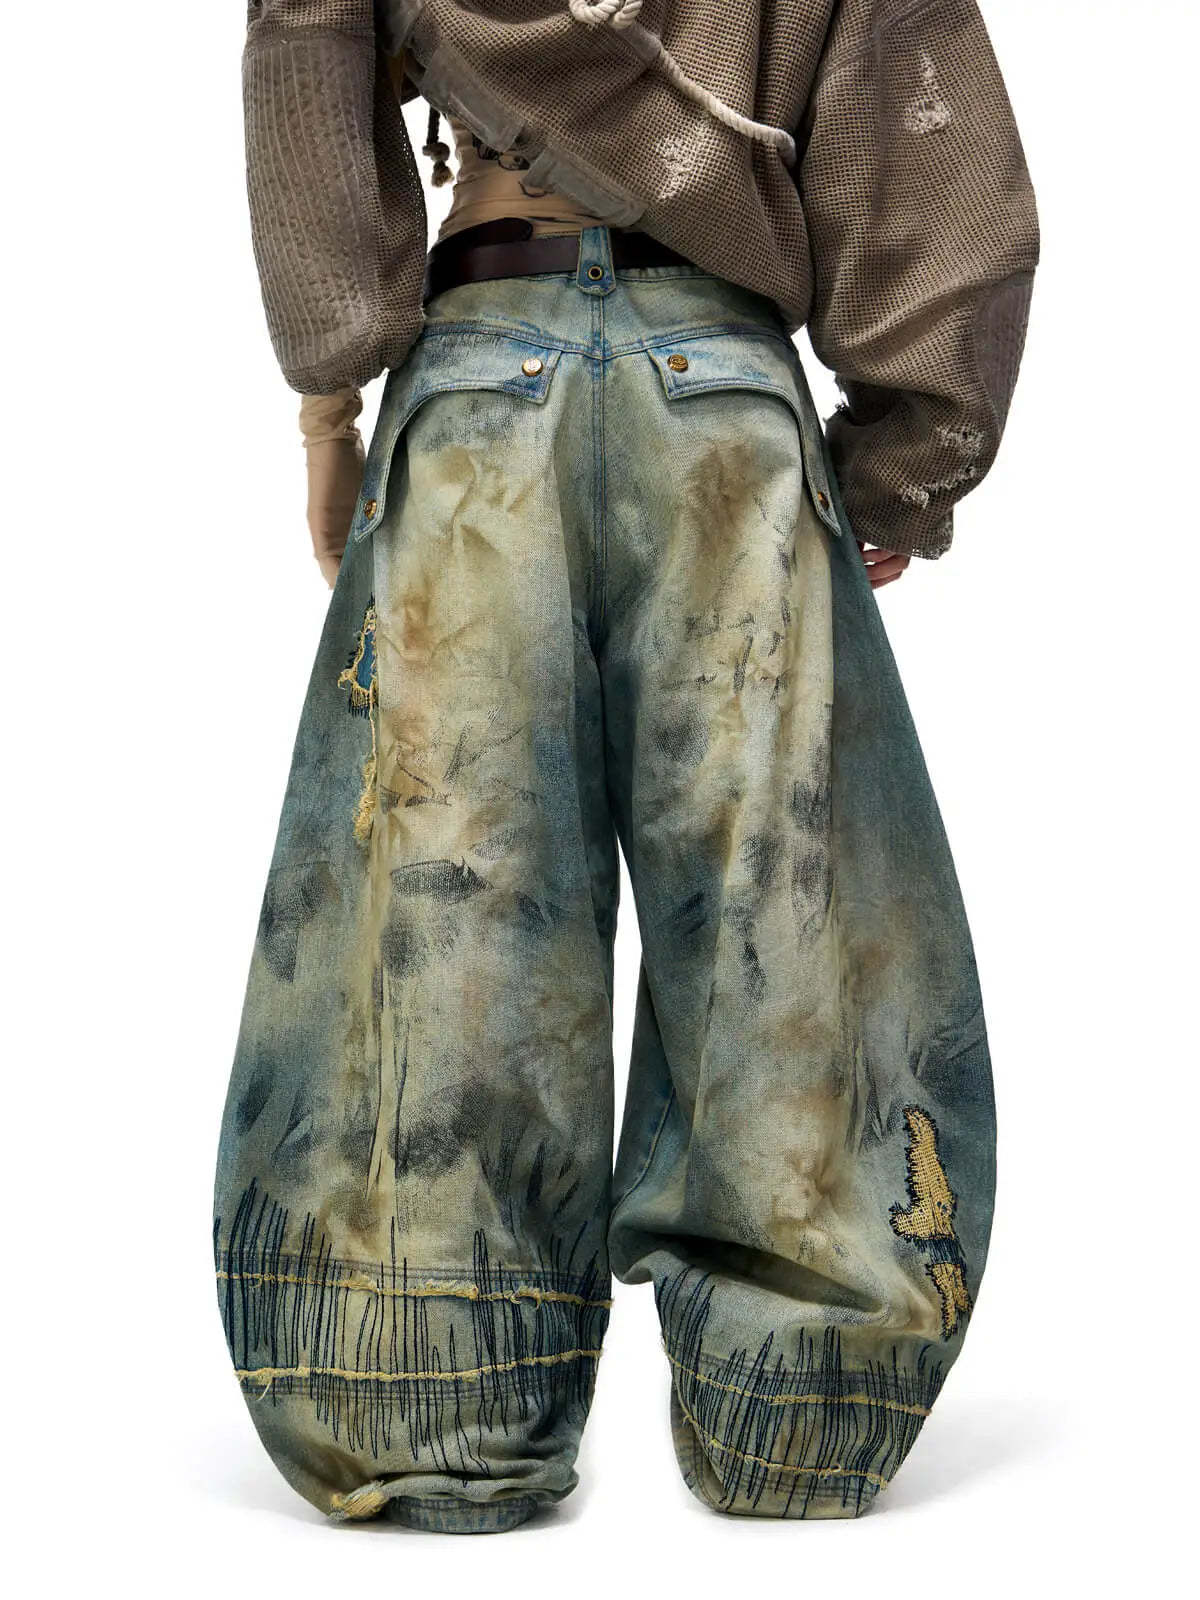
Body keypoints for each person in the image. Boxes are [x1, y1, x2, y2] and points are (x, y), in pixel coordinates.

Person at [214, 0, 1038, 1531]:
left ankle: (425, 1404)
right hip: (723, 388)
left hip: (478, 376)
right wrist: (905, 463)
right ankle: (804, 1409)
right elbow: (925, 119)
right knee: (783, 907)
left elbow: (306, 47)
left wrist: (330, 403)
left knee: (444, 903)